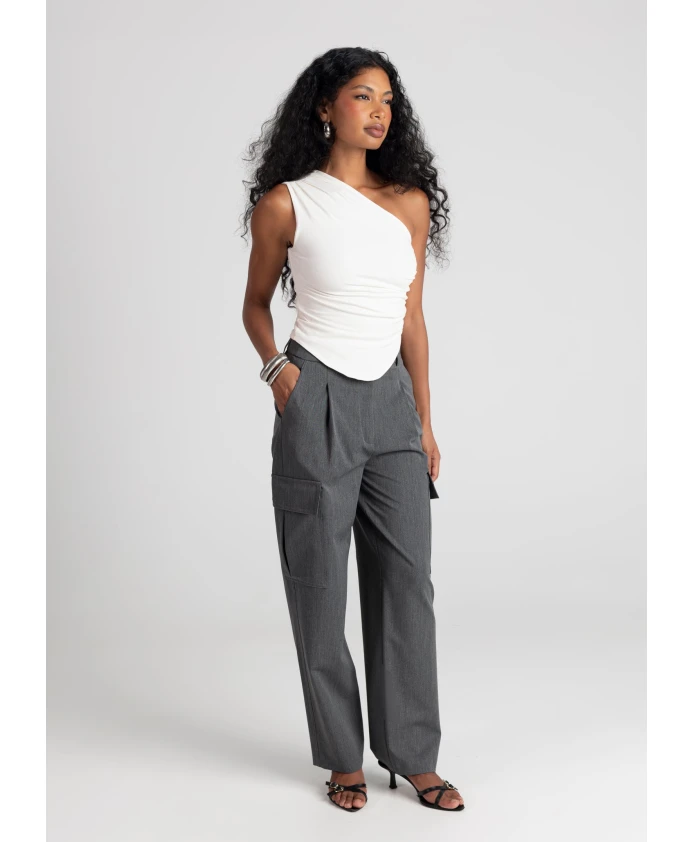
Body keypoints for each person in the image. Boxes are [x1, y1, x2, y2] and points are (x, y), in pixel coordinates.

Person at [240, 47, 464, 814]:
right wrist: (279, 373)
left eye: (388, 100)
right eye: (362, 96)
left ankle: (412, 754)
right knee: (319, 585)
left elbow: (412, 319)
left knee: (407, 584)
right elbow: (254, 304)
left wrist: (424, 421)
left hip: (391, 403)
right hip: (317, 396)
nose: (379, 112)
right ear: (324, 107)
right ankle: (342, 757)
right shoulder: (287, 204)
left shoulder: (408, 203)